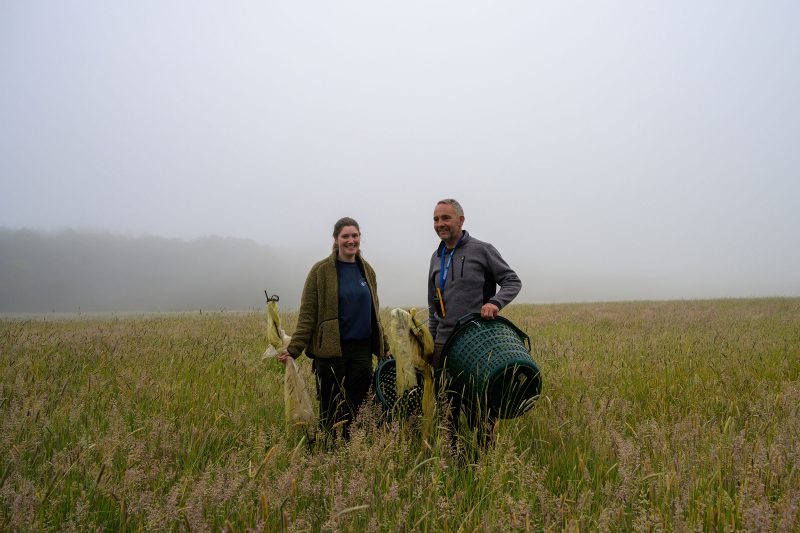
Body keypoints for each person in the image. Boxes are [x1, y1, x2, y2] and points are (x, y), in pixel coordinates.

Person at [278, 217, 389, 439]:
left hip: (362, 352)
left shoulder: (367, 270)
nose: (351, 240)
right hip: (330, 353)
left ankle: (351, 449)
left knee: (358, 406)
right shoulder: (320, 271)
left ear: (360, 238)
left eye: (355, 236)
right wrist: (294, 349)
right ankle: (328, 449)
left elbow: (374, 312)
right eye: (345, 236)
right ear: (336, 239)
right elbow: (308, 314)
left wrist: (384, 347)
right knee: (331, 408)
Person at [427, 198, 522, 452]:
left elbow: (512, 281)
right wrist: (431, 342)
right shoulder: (436, 257)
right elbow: (433, 304)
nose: (440, 224)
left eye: (445, 218)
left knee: (481, 409)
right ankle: (452, 462)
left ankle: (482, 465)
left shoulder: (483, 250)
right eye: (436, 219)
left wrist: (495, 303)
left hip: (477, 343)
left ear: (461, 220)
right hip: (443, 345)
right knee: (447, 410)